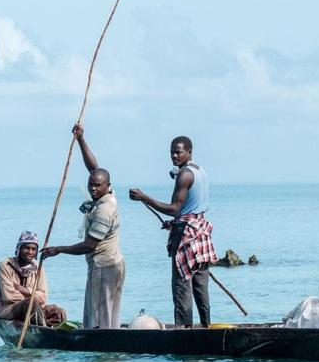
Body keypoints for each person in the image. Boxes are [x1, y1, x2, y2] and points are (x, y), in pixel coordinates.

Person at [40, 124, 126, 329]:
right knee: (107, 315)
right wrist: (80, 139)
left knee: (99, 318)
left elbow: (89, 245)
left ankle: (103, 353)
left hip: (104, 266)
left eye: (98, 186)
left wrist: (58, 249)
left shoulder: (105, 209)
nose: (93, 189)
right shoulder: (108, 194)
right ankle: (109, 348)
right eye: (91, 185)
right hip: (112, 264)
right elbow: (94, 168)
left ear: (107, 186)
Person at [129, 135, 218, 328]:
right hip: (200, 231)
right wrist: (173, 223)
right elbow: (190, 210)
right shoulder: (200, 170)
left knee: (182, 285)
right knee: (201, 285)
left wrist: (145, 197)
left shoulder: (185, 175)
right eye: (172, 152)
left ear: (189, 152)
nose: (174, 156)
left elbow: (175, 208)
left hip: (187, 234)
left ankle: (183, 330)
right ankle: (206, 327)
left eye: (178, 152)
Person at [0, 231, 66, 326]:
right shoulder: (5, 265)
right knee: (30, 303)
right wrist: (33, 299)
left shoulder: (38, 268)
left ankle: (55, 336)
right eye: (26, 248)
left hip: (36, 310)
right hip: (10, 310)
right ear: (19, 248)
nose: (30, 252)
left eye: (33, 249)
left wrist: (25, 290)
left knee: (59, 312)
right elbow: (9, 296)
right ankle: (41, 329)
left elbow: (43, 297)